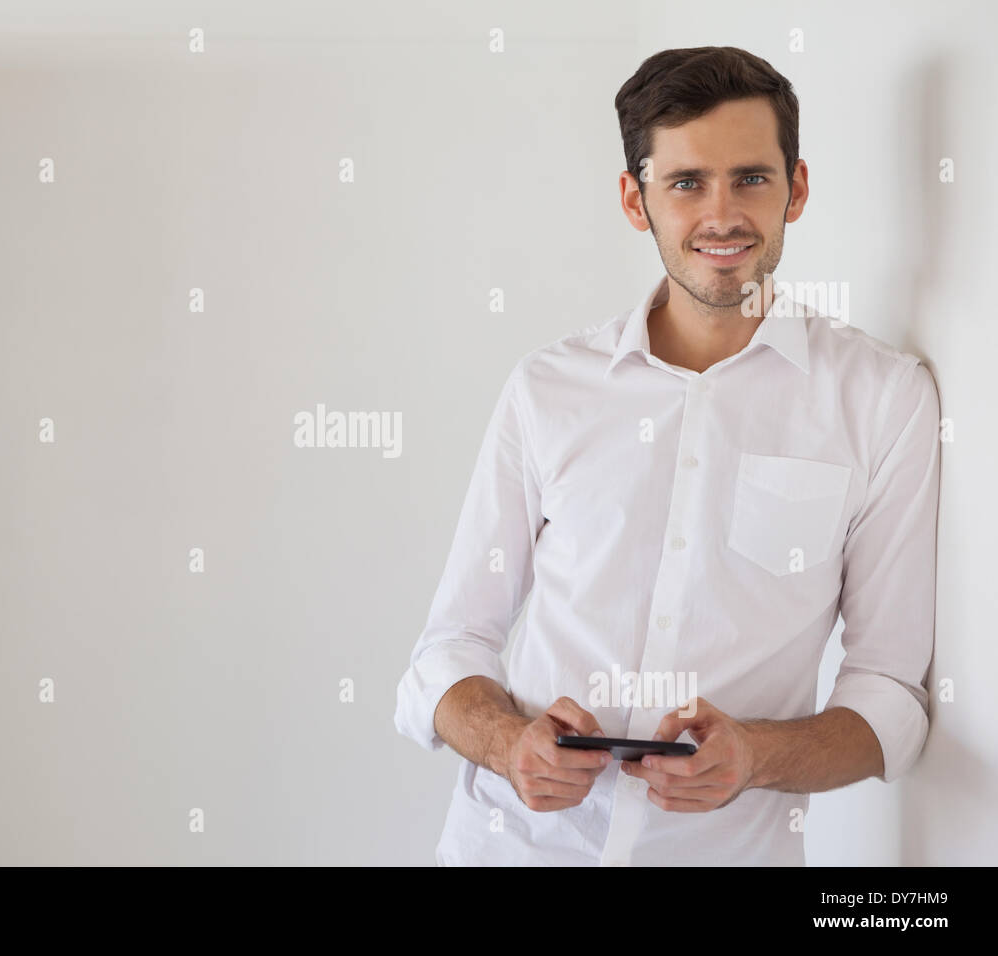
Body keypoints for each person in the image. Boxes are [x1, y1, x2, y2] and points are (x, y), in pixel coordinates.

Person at [394, 46, 941, 866]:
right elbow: (447, 652)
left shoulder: (883, 399)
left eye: (751, 178)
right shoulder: (548, 389)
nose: (722, 215)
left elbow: (891, 699)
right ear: (634, 197)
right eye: (686, 182)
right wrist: (510, 744)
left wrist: (755, 756)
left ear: (796, 188)